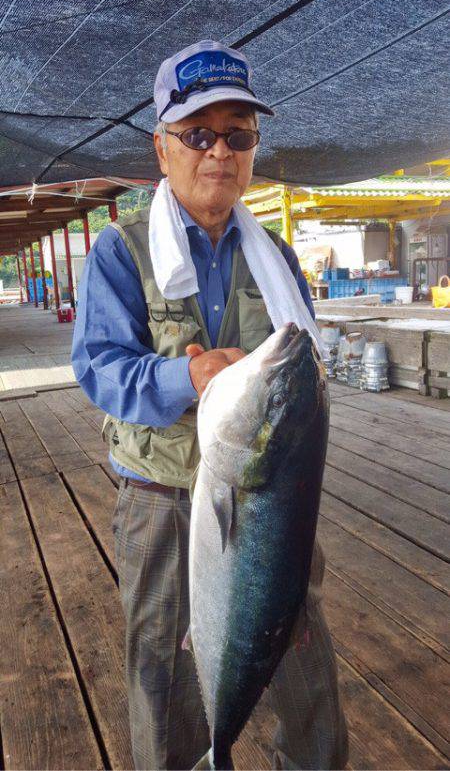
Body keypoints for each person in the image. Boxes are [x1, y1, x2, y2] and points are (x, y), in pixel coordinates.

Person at [72, 39, 348, 771]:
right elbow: (98, 367)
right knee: (165, 695)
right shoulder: (120, 251)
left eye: (238, 134)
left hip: (272, 508)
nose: (219, 151)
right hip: (161, 506)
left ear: (253, 149)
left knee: (306, 676)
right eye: (198, 134)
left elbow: (306, 377)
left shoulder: (278, 258)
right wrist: (184, 380)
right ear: (162, 148)